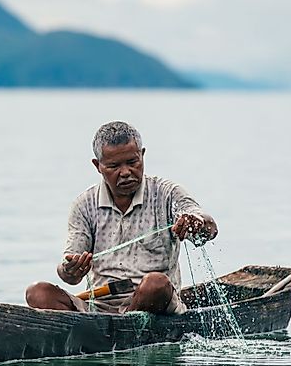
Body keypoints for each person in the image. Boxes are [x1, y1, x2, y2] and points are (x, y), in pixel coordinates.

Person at [25, 121, 217, 315]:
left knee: (155, 283)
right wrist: (70, 270)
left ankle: (113, 331)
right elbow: (70, 274)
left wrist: (197, 223)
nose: (125, 173)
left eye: (132, 163)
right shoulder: (84, 205)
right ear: (98, 166)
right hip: (98, 307)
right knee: (37, 293)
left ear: (142, 155)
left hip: (154, 302)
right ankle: (106, 329)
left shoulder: (167, 193)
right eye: (114, 166)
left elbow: (208, 226)